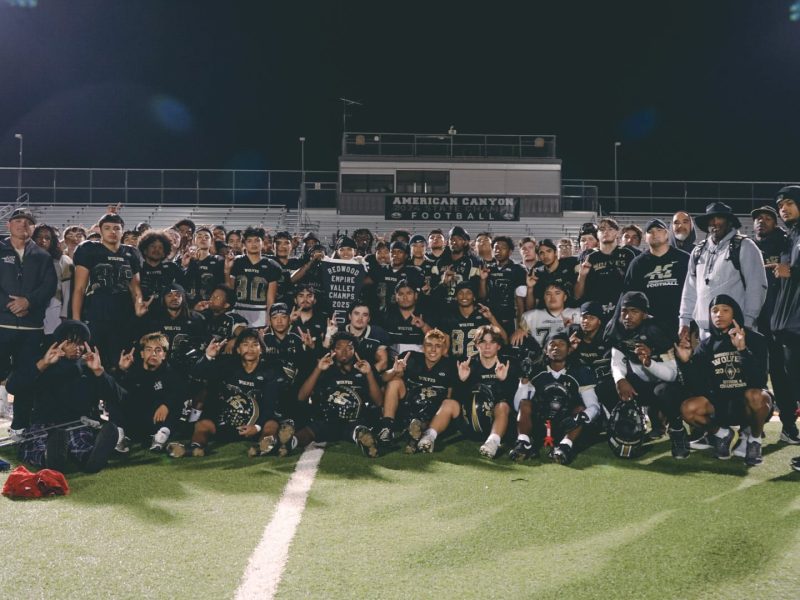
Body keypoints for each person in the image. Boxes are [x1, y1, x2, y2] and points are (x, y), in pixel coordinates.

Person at [6, 320, 119, 473]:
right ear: (59, 343)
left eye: (80, 343)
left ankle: (90, 459)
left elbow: (117, 396)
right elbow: (13, 387)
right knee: (38, 444)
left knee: (81, 442)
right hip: (45, 423)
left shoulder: (89, 366)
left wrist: (100, 372)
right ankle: (48, 458)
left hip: (77, 422)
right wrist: (43, 364)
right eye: (71, 342)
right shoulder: (43, 362)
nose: (77, 348)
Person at [675, 295, 771, 466]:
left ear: (735, 313)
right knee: (688, 408)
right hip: (721, 406)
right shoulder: (705, 346)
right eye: (714, 311)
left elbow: (759, 379)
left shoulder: (755, 339)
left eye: (725, 310)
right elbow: (696, 387)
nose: (719, 314)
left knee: (757, 396)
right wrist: (686, 363)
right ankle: (722, 434)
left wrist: (742, 350)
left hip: (748, 404)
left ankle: (754, 440)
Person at [172, 328, 282, 457]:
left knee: (272, 424)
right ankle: (195, 447)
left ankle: (264, 446)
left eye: (255, 344)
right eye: (245, 344)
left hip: (256, 423)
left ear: (261, 349)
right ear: (238, 349)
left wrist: (256, 427)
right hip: (227, 421)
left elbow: (270, 405)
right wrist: (208, 357)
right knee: (203, 425)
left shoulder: (271, 370)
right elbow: (196, 375)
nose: (250, 348)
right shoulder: (227, 365)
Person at [605, 292, 685, 458]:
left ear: (644, 313)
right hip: (639, 382)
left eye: (634, 311)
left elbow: (672, 375)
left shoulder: (657, 330)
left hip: (665, 383)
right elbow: (617, 360)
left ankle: (677, 431)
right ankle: (629, 425)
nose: (627, 316)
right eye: (624, 311)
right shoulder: (617, 328)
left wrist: (649, 363)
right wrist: (620, 380)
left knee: (663, 391)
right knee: (605, 386)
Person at [418, 325, 518, 458]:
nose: (487, 346)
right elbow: (458, 398)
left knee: (502, 406)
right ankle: (429, 436)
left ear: (499, 346)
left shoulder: (507, 364)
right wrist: (462, 380)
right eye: (483, 342)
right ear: (477, 345)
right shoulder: (468, 365)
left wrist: (503, 380)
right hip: (469, 421)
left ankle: (492, 442)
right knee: (449, 403)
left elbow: (514, 401)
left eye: (492, 342)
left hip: (495, 423)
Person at [282, 331, 384, 458]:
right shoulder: (325, 369)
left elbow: (379, 402)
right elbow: (301, 397)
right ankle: (288, 444)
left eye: (349, 348)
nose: (344, 351)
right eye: (339, 348)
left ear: (355, 351)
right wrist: (318, 370)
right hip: (327, 419)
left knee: (359, 429)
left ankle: (367, 441)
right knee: (309, 431)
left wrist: (368, 374)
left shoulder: (365, 368)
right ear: (332, 351)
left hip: (355, 419)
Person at [1, 209, 58, 431]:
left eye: (28, 222)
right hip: (2, 324)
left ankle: (20, 426)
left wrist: (28, 302)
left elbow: (48, 287)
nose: (22, 225)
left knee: (27, 377)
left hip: (31, 328)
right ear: (9, 225)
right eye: (18, 220)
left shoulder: (43, 256)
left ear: (33, 228)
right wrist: (10, 304)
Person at [679, 202, 767, 340]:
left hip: (736, 329)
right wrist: (684, 321)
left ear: (729, 222)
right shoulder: (698, 251)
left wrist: (748, 322)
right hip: (705, 332)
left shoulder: (745, 246)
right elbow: (689, 289)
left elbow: (756, 287)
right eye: (711, 219)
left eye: (719, 218)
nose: (715, 223)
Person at [509, 334, 599, 465]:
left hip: (566, 425)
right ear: (546, 350)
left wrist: (580, 418)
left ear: (569, 350)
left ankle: (565, 446)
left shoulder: (580, 372)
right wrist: (523, 381)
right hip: (539, 423)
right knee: (525, 402)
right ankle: (523, 443)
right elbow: (519, 406)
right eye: (552, 344)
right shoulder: (536, 371)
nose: (556, 347)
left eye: (561, 344)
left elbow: (594, 406)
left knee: (581, 409)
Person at [72, 212, 146, 369]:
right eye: (107, 228)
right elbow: (79, 289)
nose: (112, 232)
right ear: (100, 230)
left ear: (122, 231)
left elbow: (136, 289)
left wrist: (139, 306)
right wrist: (76, 322)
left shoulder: (132, 253)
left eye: (116, 228)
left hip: (124, 317)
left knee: (121, 363)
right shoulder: (88, 249)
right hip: (96, 315)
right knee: (94, 363)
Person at [750, 204, 795, 442]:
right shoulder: (748, 246)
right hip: (754, 323)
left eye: (767, 218)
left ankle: (788, 425)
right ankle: (755, 425)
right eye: (758, 218)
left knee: (781, 375)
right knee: (753, 376)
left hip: (779, 322)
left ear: (775, 222)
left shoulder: (786, 242)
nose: (761, 221)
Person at [107, 332, 186, 453]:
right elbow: (115, 392)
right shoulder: (132, 371)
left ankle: (160, 438)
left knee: (175, 404)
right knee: (114, 398)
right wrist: (121, 370)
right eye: (149, 350)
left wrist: (166, 405)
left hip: (156, 422)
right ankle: (119, 438)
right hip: (134, 421)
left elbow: (179, 392)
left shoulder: (170, 373)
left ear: (164, 355)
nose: (153, 354)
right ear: (142, 354)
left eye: (158, 350)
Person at [379, 329, 457, 450]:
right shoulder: (410, 357)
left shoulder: (451, 365)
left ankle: (421, 433)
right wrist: (394, 371)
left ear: (444, 349)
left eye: (438, 346)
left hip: (431, 414)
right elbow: (383, 379)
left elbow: (450, 397)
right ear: (423, 347)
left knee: (449, 403)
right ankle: (387, 428)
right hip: (408, 407)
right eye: (429, 345)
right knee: (394, 382)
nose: (433, 350)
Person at [770, 188, 800, 465]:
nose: (784, 209)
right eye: (780, 205)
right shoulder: (792, 236)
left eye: (789, 203)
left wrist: (793, 270)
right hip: (788, 327)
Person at [624, 219, 689, 335]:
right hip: (649, 327)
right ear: (645, 238)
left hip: (680, 323)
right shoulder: (637, 263)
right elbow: (629, 297)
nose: (655, 234)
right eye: (650, 231)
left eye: (659, 230)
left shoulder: (684, 259)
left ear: (667, 234)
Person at [574, 218, 635, 319]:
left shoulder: (628, 254)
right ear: (597, 234)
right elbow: (577, 296)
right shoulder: (590, 258)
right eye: (602, 229)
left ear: (617, 233)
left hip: (622, 313)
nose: (606, 232)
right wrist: (582, 276)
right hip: (596, 316)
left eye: (610, 229)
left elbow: (635, 286)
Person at [437, 281, 507, 360]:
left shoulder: (483, 315)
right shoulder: (449, 317)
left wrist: (491, 318)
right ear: (456, 297)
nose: (464, 296)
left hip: (479, 365)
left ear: (474, 297)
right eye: (460, 293)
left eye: (468, 293)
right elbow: (444, 350)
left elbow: (504, 340)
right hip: (455, 364)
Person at [226, 226, 281, 327]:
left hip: (261, 312)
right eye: (249, 241)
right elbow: (229, 289)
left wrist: (269, 321)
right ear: (244, 244)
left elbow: (270, 299)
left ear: (262, 243)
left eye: (257, 240)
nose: (253, 244)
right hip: (238, 310)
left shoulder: (272, 265)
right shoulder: (236, 262)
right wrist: (227, 269)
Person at [478, 235, 527, 335]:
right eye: (496, 248)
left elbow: (521, 300)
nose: (498, 250)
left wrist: (521, 326)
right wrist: (482, 280)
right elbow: (482, 297)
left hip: (509, 319)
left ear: (510, 252)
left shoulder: (518, 270)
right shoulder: (487, 269)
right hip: (490, 318)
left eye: (503, 248)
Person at [513, 282, 581, 349]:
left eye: (557, 293)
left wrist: (574, 328)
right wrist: (519, 330)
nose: (552, 297)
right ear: (544, 297)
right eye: (548, 294)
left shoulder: (577, 314)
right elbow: (515, 340)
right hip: (538, 356)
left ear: (565, 297)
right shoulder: (531, 316)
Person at [32, 224, 72, 335]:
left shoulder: (63, 260)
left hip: (54, 312)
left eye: (47, 238)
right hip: (30, 314)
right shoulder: (26, 258)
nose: (42, 241)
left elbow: (67, 290)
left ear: (53, 241)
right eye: (38, 237)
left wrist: (65, 314)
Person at [380, 280, 433, 354]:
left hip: (419, 360)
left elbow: (436, 340)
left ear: (416, 295)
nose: (405, 297)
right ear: (396, 297)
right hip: (392, 359)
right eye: (401, 294)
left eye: (409, 293)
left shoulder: (425, 313)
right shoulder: (386, 313)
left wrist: (423, 326)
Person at [181, 226, 225, 308]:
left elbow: (221, 285)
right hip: (189, 306)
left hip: (209, 305)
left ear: (211, 242)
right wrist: (185, 266)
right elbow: (181, 284)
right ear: (194, 241)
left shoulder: (219, 260)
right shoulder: (185, 259)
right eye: (199, 236)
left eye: (206, 237)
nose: (203, 239)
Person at [529, 238, 579, 308]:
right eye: (541, 253)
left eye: (549, 251)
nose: (545, 256)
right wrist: (530, 288)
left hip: (569, 312)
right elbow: (532, 305)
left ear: (555, 252)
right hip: (546, 314)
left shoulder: (571, 264)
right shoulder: (537, 272)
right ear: (538, 257)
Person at [137, 230, 181, 303]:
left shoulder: (172, 268)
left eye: (160, 247)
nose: (157, 250)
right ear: (145, 250)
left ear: (164, 253)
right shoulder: (137, 269)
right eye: (153, 246)